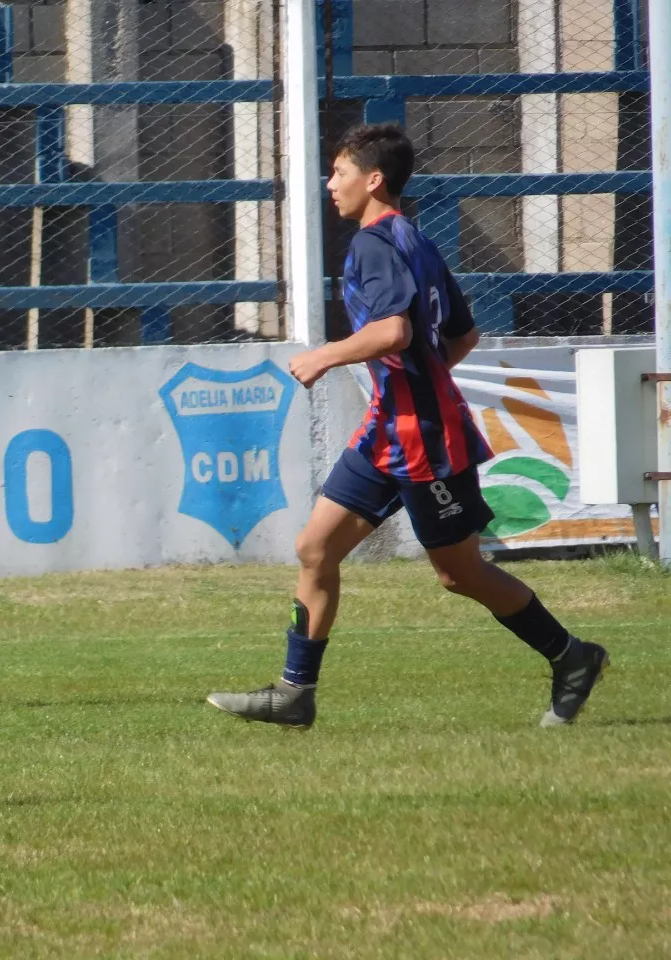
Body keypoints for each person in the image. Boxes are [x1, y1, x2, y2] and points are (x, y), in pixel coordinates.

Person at [207, 123, 608, 730]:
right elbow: (462, 335)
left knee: (458, 574)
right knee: (315, 547)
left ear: (373, 180)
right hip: (390, 428)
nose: (330, 183)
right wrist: (414, 381)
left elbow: (394, 330)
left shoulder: (372, 245)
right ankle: (295, 693)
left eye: (339, 172)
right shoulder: (415, 240)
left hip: (425, 439)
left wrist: (324, 355)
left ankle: (572, 657)